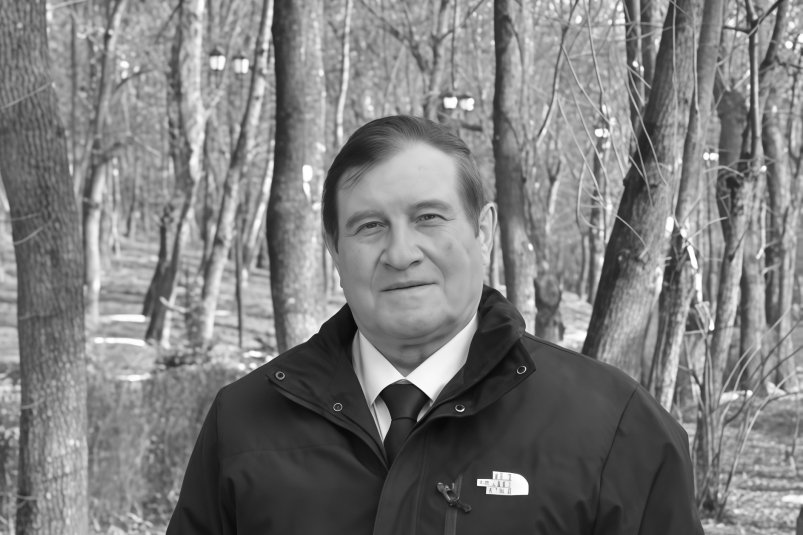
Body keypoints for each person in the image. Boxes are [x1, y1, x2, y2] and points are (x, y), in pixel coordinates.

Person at [167, 115, 704, 534]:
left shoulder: (616, 430)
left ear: (483, 230)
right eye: (369, 226)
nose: (401, 253)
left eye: (428, 218)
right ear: (334, 251)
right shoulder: (245, 423)